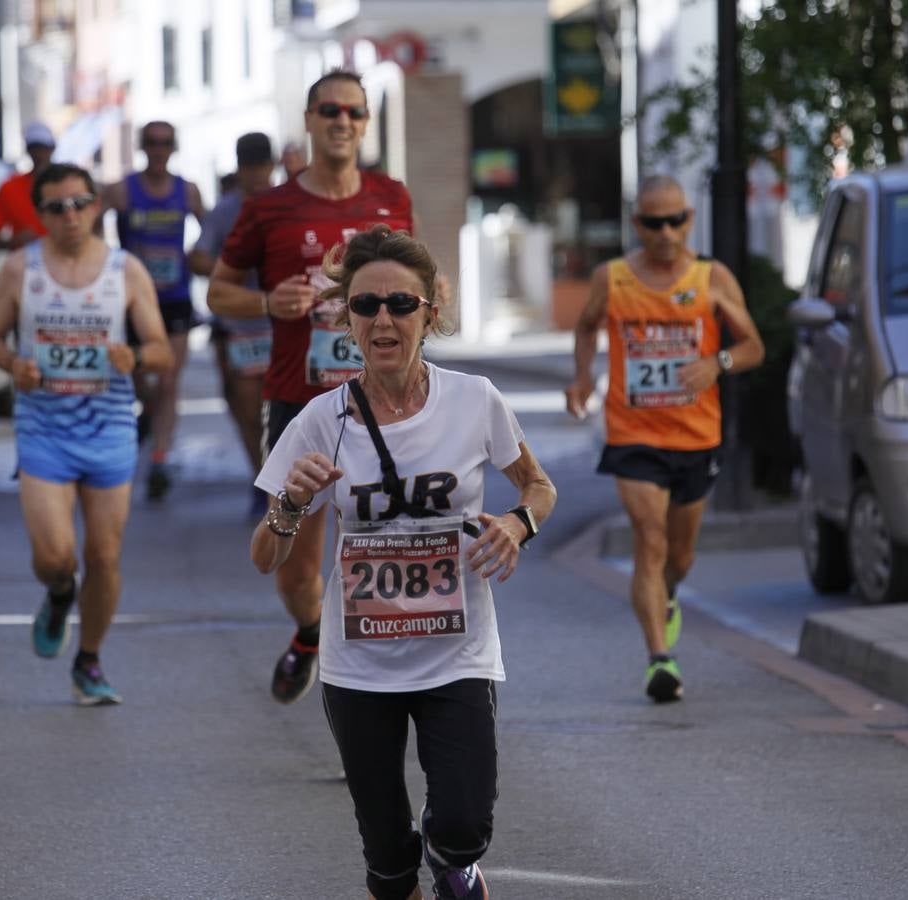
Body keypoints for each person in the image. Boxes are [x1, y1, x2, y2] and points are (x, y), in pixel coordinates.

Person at [253, 225, 556, 900]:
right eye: (365, 306)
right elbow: (263, 556)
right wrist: (291, 505)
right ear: (346, 319)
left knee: (461, 824)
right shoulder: (317, 420)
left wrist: (517, 522)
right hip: (359, 665)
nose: (382, 319)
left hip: (457, 652)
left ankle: (454, 858)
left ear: (429, 312)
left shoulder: (474, 400)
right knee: (389, 864)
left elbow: (538, 487)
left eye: (399, 304)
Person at [207, 70, 415, 705]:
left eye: (354, 111)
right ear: (309, 118)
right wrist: (271, 299)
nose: (342, 121)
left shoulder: (391, 197)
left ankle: (375, 690)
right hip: (302, 402)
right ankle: (308, 631)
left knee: (393, 552)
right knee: (298, 569)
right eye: (330, 109)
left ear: (365, 122)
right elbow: (218, 290)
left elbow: (415, 286)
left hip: (387, 401)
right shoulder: (270, 207)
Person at [565, 174, 765, 703]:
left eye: (676, 220)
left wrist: (716, 362)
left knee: (679, 555)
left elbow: (752, 347)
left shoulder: (712, 277)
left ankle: (669, 593)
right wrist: (582, 376)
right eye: (654, 222)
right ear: (638, 224)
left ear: (689, 219)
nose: (666, 231)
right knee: (648, 541)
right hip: (634, 434)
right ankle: (660, 659)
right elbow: (586, 326)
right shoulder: (613, 278)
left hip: (696, 436)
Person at [0, 162, 173, 705]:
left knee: (105, 556)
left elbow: (161, 350)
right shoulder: (21, 270)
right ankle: (60, 592)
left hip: (110, 427)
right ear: (39, 214)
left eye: (81, 203)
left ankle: (88, 660)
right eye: (56, 207)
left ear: (96, 206)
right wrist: (12, 363)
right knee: (54, 556)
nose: (71, 215)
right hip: (43, 429)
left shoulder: (125, 270)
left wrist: (133, 355)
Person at [103, 121, 207, 501]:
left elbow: (211, 233)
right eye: (152, 143)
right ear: (142, 146)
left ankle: (160, 457)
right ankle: (146, 414)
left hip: (175, 298)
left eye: (166, 142)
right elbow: (90, 226)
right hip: (131, 302)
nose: (159, 149)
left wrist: (202, 259)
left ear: (174, 146)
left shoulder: (187, 191)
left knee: (167, 382)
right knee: (138, 379)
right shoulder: (122, 191)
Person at [187, 132, 277, 516]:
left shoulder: (286, 206)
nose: (256, 177)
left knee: (285, 409)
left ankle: (282, 481)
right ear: (238, 170)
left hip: (281, 325)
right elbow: (198, 258)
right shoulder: (225, 211)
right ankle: (262, 480)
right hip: (238, 327)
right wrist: (237, 265)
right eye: (249, 169)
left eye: (261, 168)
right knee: (247, 408)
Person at [0, 122, 57, 249]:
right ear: (27, 150)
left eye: (43, 148)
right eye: (34, 148)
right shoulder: (10, 188)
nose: (39, 154)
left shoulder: (72, 186)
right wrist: (14, 241)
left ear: (52, 148)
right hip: (26, 263)